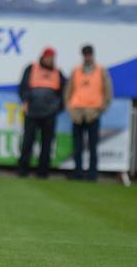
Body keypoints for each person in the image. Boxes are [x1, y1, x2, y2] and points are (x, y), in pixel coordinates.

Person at [64, 44, 113, 181]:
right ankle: (78, 173)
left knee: (92, 147)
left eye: (89, 54)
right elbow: (68, 93)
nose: (87, 57)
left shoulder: (101, 71)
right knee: (77, 147)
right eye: (85, 54)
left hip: (93, 114)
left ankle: (92, 174)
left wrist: (100, 110)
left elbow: (108, 93)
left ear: (93, 54)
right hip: (77, 114)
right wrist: (71, 110)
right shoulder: (76, 71)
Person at [17, 46, 66, 179]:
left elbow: (64, 92)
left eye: (52, 58)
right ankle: (23, 170)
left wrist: (58, 108)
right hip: (32, 112)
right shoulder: (31, 68)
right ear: (43, 57)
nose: (50, 60)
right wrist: (25, 101)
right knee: (28, 142)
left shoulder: (57, 72)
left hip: (49, 114)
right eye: (48, 57)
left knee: (47, 143)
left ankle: (43, 172)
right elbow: (23, 87)